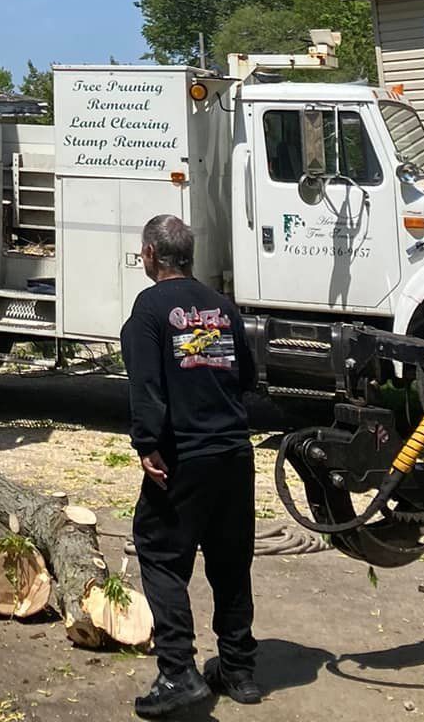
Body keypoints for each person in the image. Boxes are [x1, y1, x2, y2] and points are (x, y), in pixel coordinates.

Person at [121, 214, 260, 717]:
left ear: (151, 255)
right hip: (234, 454)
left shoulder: (149, 309)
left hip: (184, 457)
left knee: (159, 551)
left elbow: (146, 384)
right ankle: (238, 669)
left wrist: (147, 444)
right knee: (230, 559)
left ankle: (177, 670)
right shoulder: (223, 307)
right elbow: (247, 377)